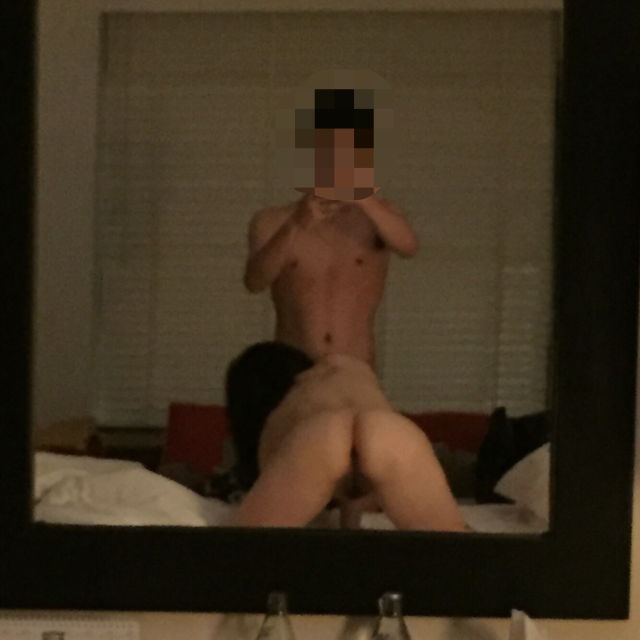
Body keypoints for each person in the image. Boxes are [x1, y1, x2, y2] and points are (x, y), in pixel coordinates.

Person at [244, 87, 419, 368]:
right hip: (293, 368)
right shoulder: (273, 219)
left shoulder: (377, 216)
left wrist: (364, 197)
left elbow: (409, 247)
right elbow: (254, 281)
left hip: (355, 367)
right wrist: (296, 225)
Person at [225, 342, 468, 532]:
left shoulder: (283, 414)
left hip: (317, 436)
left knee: (240, 555)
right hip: (388, 431)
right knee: (460, 554)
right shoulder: (342, 371)